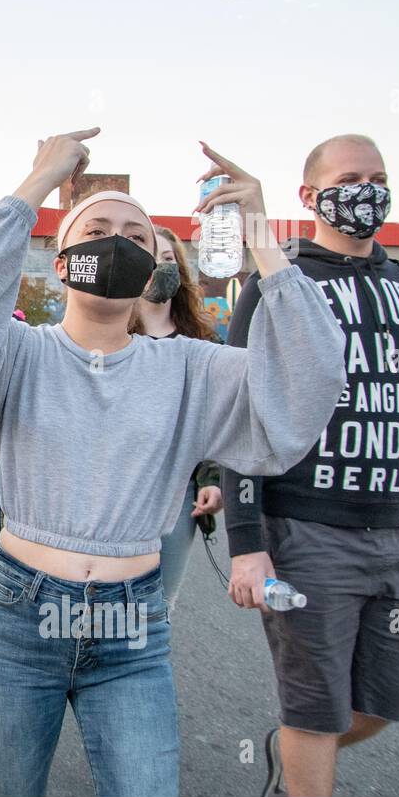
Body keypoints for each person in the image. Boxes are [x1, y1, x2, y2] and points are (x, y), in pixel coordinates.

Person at [0, 128, 347, 797]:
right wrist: (36, 183)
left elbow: (303, 391)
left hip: (133, 630)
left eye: (136, 232)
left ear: (155, 265)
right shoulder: (13, 357)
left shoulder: (189, 370)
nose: (117, 238)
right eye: (97, 226)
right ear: (61, 255)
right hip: (18, 620)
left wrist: (264, 239)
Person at [221, 134, 399, 797]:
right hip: (307, 531)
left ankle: (287, 757)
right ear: (310, 196)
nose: (368, 190)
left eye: (378, 176)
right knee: (315, 712)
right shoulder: (280, 282)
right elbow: (244, 411)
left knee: (383, 702)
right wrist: (247, 544)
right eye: (351, 177)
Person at [130, 226, 224, 610]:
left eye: (169, 260)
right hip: (120, 488)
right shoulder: (110, 337)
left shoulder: (204, 345)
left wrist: (213, 480)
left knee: (159, 605)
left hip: (178, 493)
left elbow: (216, 422)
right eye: (153, 258)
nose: (161, 267)